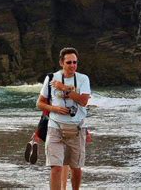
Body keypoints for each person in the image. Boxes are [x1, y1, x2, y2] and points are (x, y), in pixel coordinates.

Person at [37, 47, 91, 190]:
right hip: (55, 128)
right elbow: (39, 103)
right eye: (69, 62)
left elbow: (83, 101)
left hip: (77, 129)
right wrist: (55, 109)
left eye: (75, 62)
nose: (73, 65)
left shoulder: (83, 79)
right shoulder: (51, 78)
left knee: (76, 168)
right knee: (56, 168)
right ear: (61, 62)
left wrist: (63, 88)